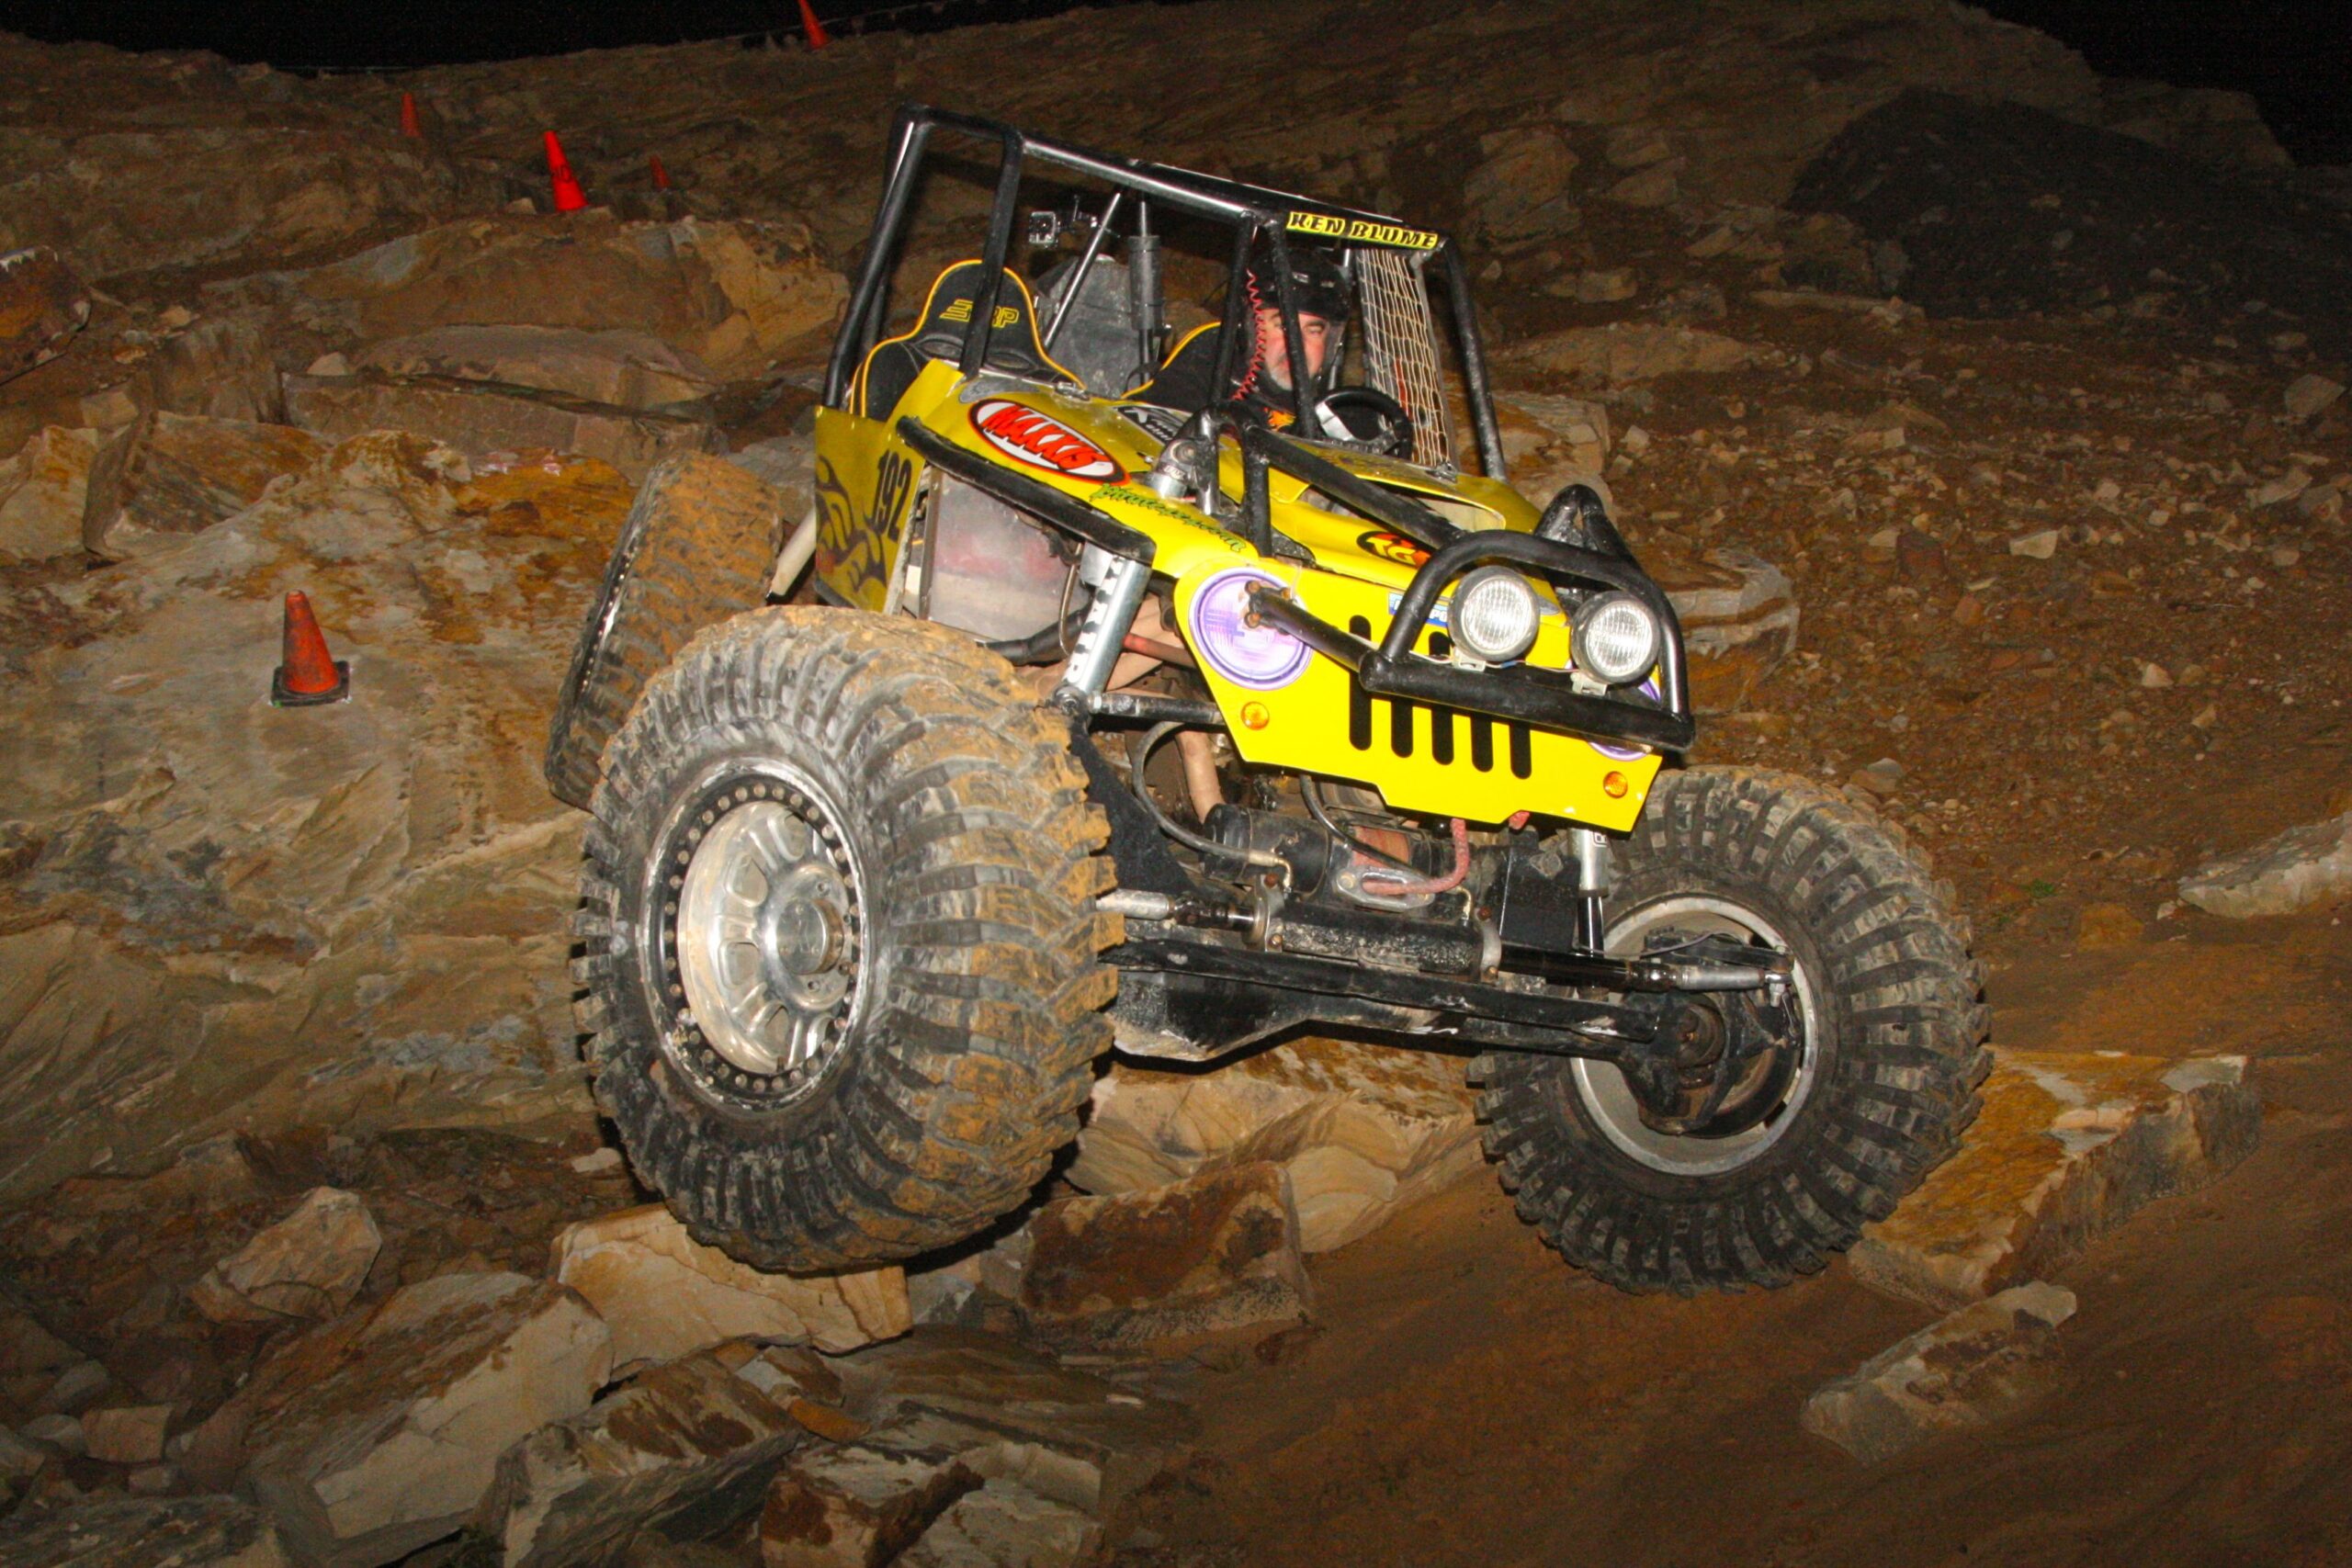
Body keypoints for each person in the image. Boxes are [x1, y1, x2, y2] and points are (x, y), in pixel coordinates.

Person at [1134, 248, 1353, 432]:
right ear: (1249, 327)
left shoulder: (1344, 411)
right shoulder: (1208, 366)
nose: (1297, 345)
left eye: (1314, 331)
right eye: (1283, 326)